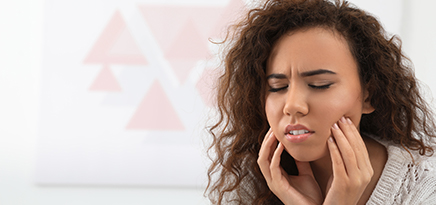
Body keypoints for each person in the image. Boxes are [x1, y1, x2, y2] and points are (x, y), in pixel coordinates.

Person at [205, 0, 436, 204]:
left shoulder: (424, 189)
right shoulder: (248, 183)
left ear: (369, 95)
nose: (292, 105)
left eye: (320, 84)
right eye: (277, 87)